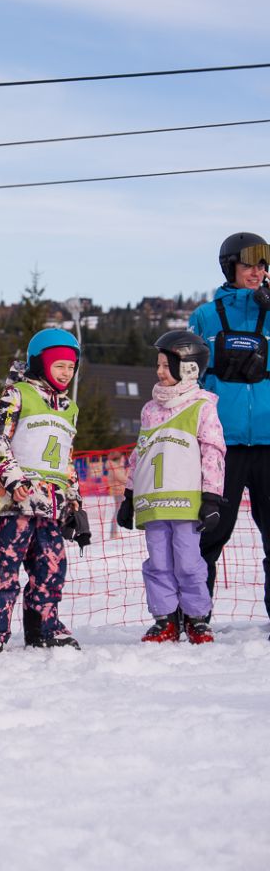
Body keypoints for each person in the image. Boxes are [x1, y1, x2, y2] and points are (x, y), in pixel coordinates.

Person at [0, 329, 86, 653]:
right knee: (8, 567)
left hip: (51, 504)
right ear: (40, 363)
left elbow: (66, 458)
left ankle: (44, 628)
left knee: (52, 566)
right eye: (59, 366)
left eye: (71, 367)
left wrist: (74, 498)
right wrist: (14, 480)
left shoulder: (69, 408)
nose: (66, 373)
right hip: (17, 501)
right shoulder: (18, 394)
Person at [116, 332, 225, 644]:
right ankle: (165, 620)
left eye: (166, 365)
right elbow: (141, 453)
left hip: (186, 502)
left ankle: (196, 619)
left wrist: (212, 497)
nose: (159, 371)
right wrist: (129, 495)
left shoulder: (202, 406)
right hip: (153, 501)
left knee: (189, 562)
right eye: (158, 365)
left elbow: (213, 452)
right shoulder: (150, 409)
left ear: (189, 368)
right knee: (158, 563)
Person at [189, 232, 270, 623]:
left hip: (269, 444)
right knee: (210, 535)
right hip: (221, 447)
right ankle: (196, 616)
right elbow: (189, 379)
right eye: (249, 264)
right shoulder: (205, 317)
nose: (257, 272)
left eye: (263, 265)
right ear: (229, 267)